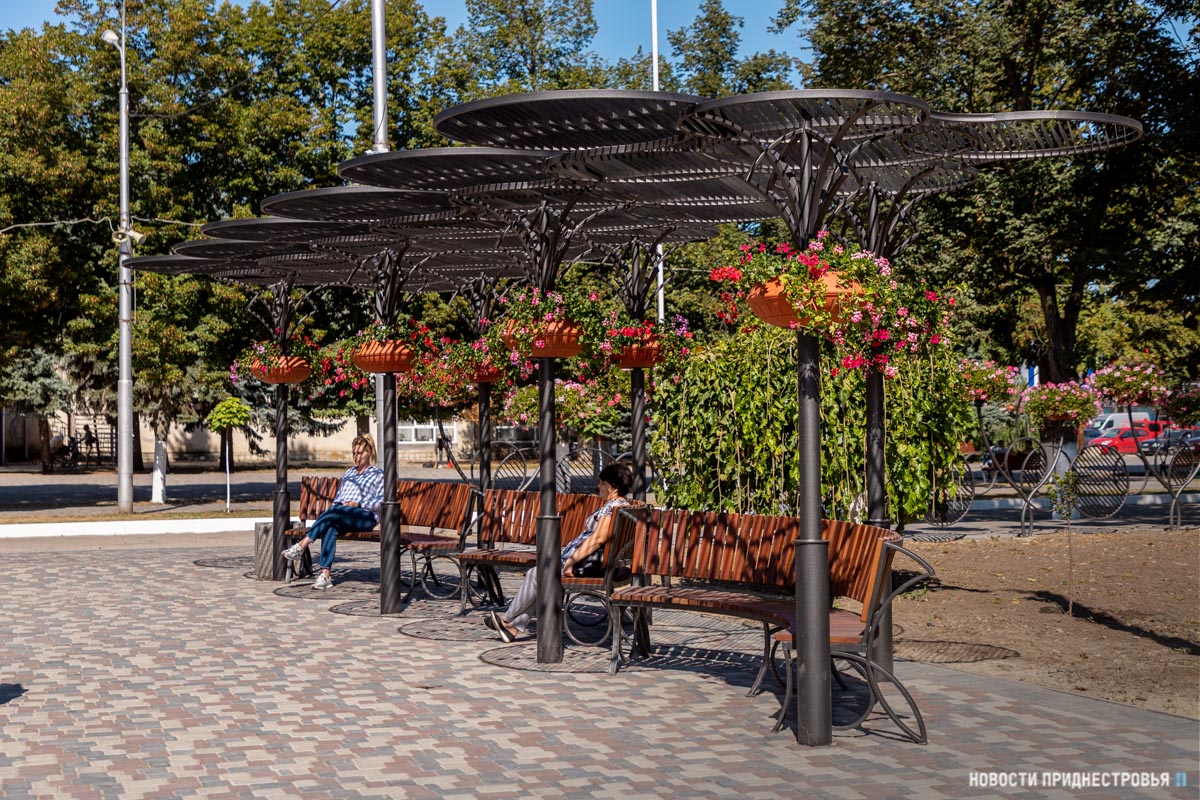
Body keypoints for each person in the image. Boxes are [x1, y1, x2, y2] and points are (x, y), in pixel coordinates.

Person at [485, 462, 633, 642]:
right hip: (601, 564)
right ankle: (512, 628)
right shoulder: (623, 505)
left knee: (537, 574)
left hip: (589, 566)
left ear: (613, 487)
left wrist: (571, 561)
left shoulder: (612, 507)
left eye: (602, 483)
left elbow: (598, 539)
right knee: (539, 577)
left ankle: (506, 619)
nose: (598, 486)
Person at [281, 434, 384, 590]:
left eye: (360, 453)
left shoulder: (378, 474)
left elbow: (383, 502)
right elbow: (338, 498)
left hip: (365, 516)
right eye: (354, 453)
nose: (356, 457)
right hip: (344, 514)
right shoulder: (349, 473)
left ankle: (302, 545)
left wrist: (359, 503)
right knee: (331, 527)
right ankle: (325, 576)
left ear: (368, 452)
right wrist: (337, 508)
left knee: (336, 510)